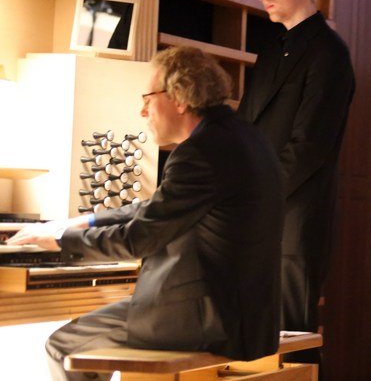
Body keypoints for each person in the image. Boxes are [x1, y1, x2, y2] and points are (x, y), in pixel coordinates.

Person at [9, 46, 283, 381]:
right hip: (249, 316)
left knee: (63, 345)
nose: (142, 111)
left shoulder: (199, 152)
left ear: (179, 98)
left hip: (205, 318)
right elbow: (156, 209)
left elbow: (139, 239)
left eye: (148, 98)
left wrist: (59, 240)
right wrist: (86, 220)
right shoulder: (246, 138)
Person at [237, 0, 355, 368]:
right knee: (253, 335)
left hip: (295, 214)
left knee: (293, 338)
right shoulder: (271, 50)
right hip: (257, 211)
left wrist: (258, 195)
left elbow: (309, 146)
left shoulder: (329, 52)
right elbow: (246, 128)